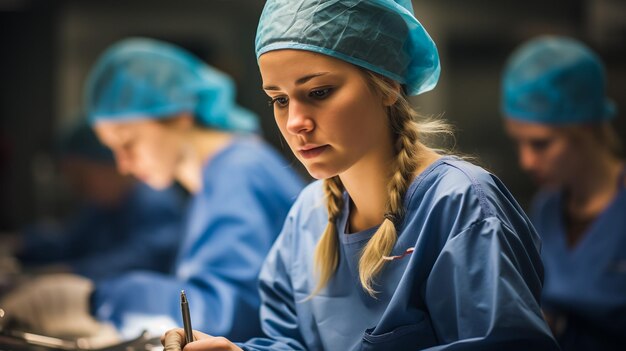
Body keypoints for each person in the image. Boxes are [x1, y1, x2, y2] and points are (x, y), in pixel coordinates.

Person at [161, 1, 559, 350]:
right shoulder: (309, 215)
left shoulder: (460, 204)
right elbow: (290, 342)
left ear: (386, 84)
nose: (295, 122)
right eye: (279, 100)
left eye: (318, 92)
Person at [2, 37, 304, 341]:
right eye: (112, 150)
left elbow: (220, 315)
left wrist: (97, 299)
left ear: (180, 115)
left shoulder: (238, 172)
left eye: (127, 143)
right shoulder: (219, 176)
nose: (122, 165)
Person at [501, 36, 625, 351]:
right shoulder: (547, 208)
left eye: (540, 144)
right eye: (519, 143)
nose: (526, 161)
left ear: (585, 128)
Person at [12, 122, 186, 282]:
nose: (74, 187)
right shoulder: (102, 206)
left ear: (109, 164)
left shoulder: (154, 201)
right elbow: (70, 242)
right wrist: (19, 244)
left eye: (80, 176)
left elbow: (146, 259)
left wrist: (70, 273)